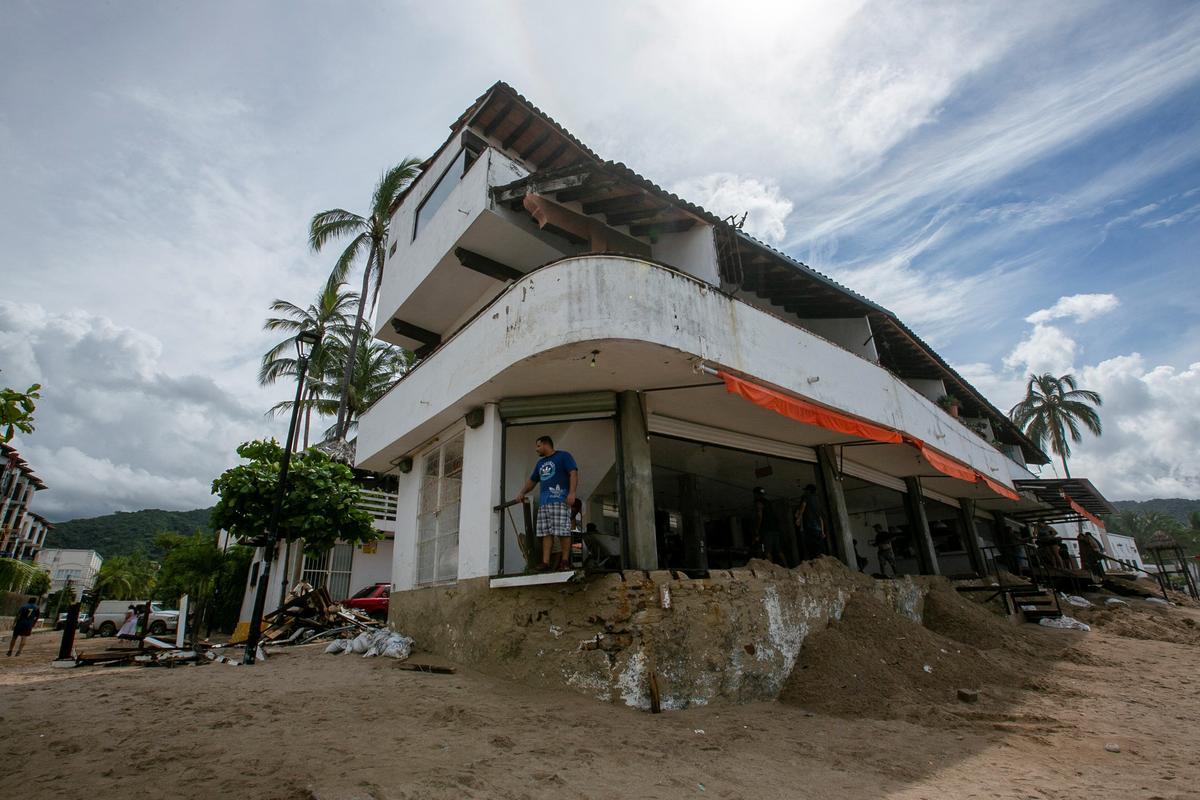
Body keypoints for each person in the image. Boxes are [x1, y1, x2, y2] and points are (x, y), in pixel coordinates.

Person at [516, 435, 578, 571]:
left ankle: (565, 561)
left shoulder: (563, 456)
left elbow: (573, 473)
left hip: (560, 499)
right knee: (546, 533)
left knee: (563, 531)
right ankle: (545, 562)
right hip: (545, 503)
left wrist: (572, 493)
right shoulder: (540, 464)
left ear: (545, 444)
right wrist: (522, 492)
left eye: (538, 446)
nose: (536, 449)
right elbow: (532, 481)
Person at [752, 487, 786, 566]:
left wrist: (757, 529)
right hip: (775, 529)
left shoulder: (758, 502)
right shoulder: (768, 502)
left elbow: (760, 516)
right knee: (779, 551)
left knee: (767, 551)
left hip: (767, 530)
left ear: (756, 494)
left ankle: (771, 568)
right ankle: (787, 566)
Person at [795, 483, 828, 560]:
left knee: (811, 548)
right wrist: (822, 531)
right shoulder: (817, 500)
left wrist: (799, 518)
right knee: (819, 549)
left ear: (808, 491)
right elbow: (820, 517)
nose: (805, 492)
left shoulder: (806, 496)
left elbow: (803, 507)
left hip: (810, 526)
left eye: (806, 490)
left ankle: (813, 563)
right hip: (818, 529)